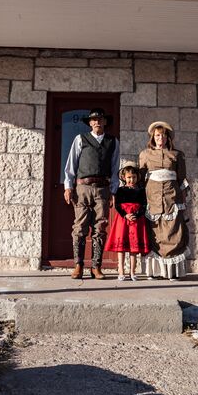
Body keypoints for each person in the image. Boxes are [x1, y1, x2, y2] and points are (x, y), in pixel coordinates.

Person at [63, 107, 119, 279]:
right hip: (83, 188)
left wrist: (114, 191)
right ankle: (78, 265)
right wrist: (68, 186)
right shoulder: (81, 139)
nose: (96, 122)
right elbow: (71, 164)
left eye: (99, 119)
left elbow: (115, 168)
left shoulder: (113, 141)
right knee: (80, 227)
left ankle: (96, 266)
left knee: (100, 227)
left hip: (102, 189)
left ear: (105, 122)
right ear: (89, 123)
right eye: (93, 120)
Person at [138, 121, 189, 279]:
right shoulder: (145, 154)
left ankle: (172, 272)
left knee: (172, 232)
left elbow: (182, 179)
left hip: (172, 197)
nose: (160, 138)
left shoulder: (177, 155)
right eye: (157, 135)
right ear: (153, 137)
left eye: (163, 135)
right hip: (152, 197)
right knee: (155, 232)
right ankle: (156, 272)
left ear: (168, 138)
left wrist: (183, 199)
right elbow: (140, 178)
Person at [104, 163, 150, 281]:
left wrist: (136, 215)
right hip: (123, 220)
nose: (131, 180)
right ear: (124, 178)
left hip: (136, 220)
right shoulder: (120, 190)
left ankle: (132, 272)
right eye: (129, 177)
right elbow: (117, 205)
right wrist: (126, 215)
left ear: (137, 177)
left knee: (133, 247)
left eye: (134, 177)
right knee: (122, 246)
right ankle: (121, 271)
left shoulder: (141, 190)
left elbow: (144, 205)